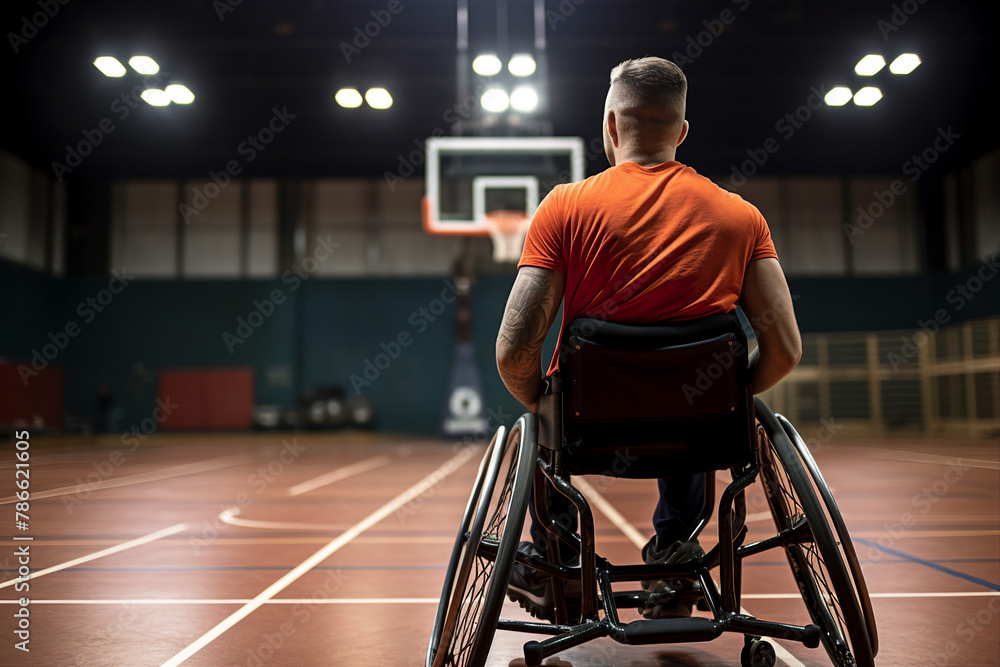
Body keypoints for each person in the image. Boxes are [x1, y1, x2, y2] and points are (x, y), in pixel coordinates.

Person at [495, 56, 802, 621]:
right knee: (696, 401)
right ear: (682, 132)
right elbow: (784, 348)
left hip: (589, 424)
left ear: (611, 124)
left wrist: (535, 401)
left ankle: (557, 568)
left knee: (544, 413)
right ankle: (677, 558)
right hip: (698, 428)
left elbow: (515, 348)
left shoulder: (564, 207)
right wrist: (729, 398)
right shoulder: (741, 217)